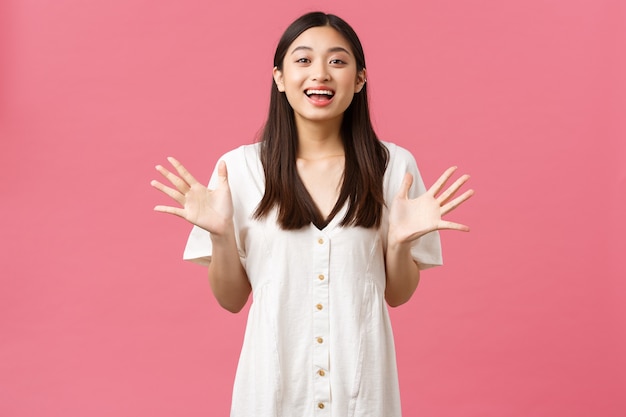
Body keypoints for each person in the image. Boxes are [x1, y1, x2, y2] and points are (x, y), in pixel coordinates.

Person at [150, 11, 473, 417]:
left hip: (363, 397)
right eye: (303, 60)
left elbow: (397, 294)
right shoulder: (240, 170)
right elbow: (232, 300)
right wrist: (220, 235)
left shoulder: (393, 167)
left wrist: (398, 244)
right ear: (280, 77)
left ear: (359, 79)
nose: (320, 74)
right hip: (270, 395)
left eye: (338, 61)